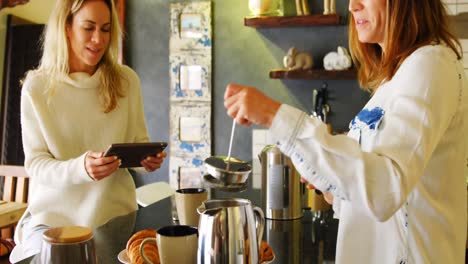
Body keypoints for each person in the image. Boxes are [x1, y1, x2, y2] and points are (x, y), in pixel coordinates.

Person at [224, 0, 467, 263]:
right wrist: (329, 181)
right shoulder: (394, 80)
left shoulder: (429, 65)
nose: (352, 6)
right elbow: (370, 192)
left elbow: (385, 189)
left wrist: (273, 114)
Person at [10, 0, 166, 261]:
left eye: (105, 29)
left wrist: (146, 161)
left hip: (115, 218)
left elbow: (138, 142)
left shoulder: (127, 81)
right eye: (89, 27)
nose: (98, 39)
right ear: (67, 27)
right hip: (52, 220)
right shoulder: (37, 87)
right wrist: (81, 169)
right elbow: (36, 165)